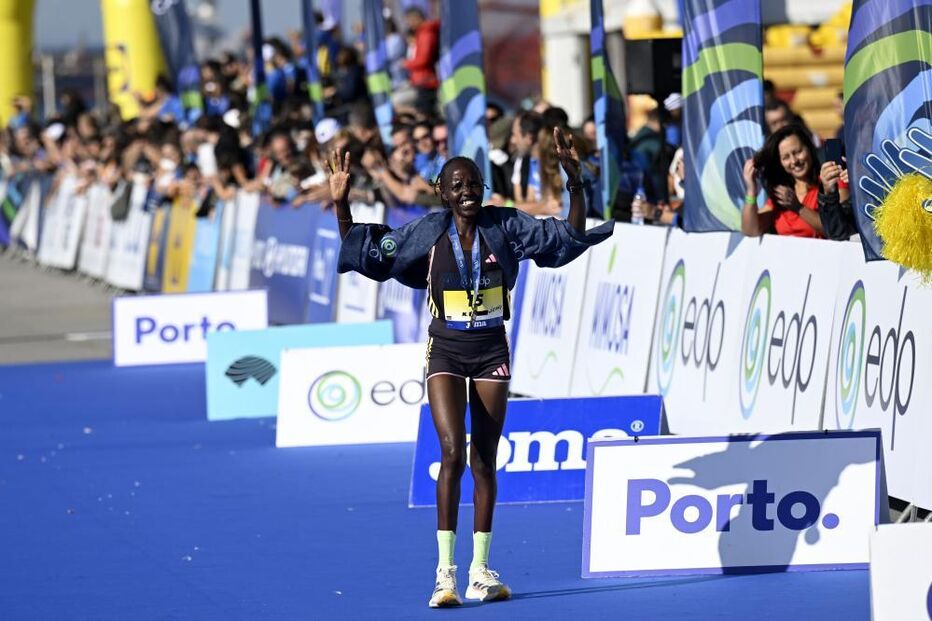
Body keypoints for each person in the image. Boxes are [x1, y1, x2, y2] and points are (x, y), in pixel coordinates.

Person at [327, 127, 613, 609]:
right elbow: (371, 254)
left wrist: (575, 183)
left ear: (483, 188)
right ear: (441, 192)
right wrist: (341, 206)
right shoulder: (427, 232)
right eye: (456, 186)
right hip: (445, 351)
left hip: (491, 353)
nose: (465, 193)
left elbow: (568, 236)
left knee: (483, 457)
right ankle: (445, 574)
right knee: (451, 452)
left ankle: (481, 569)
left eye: (473, 184)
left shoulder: (507, 225)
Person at [741, 124, 825, 238]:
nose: (794, 161)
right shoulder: (781, 197)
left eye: (798, 152)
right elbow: (751, 231)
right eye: (786, 157)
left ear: (809, 148)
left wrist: (798, 208)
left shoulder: (828, 183)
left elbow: (835, 230)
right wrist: (751, 190)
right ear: (780, 163)